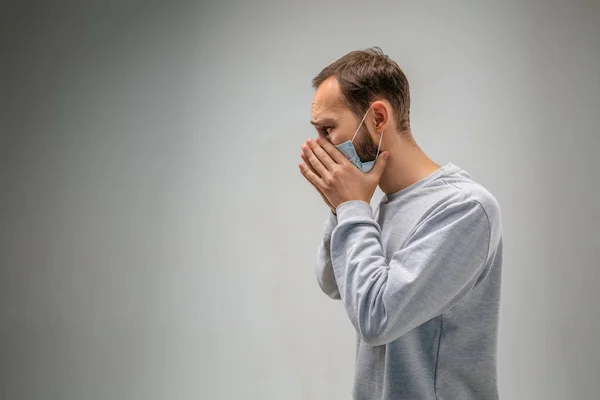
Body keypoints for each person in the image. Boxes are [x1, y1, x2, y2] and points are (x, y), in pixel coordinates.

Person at [298, 47, 503, 400]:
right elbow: (332, 281)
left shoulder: (465, 208)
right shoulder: (378, 208)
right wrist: (342, 210)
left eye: (328, 129)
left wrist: (351, 206)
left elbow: (376, 318)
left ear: (378, 117)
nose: (320, 146)